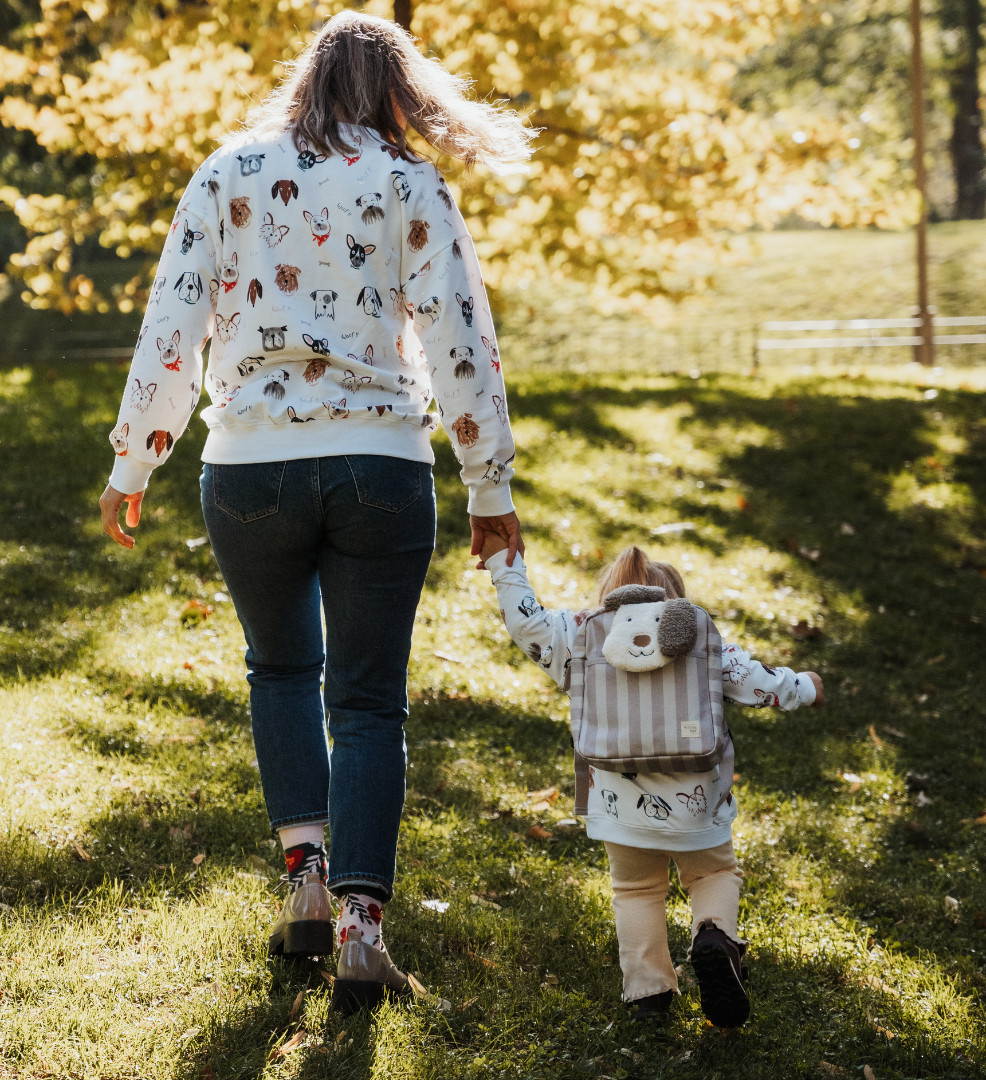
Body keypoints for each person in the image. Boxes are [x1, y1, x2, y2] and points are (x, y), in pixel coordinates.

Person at [98, 11, 533, 1011]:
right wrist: (489, 488)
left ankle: (304, 875)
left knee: (281, 668)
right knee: (370, 703)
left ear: (306, 78)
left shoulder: (225, 173)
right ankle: (360, 933)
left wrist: (136, 463)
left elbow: (175, 323)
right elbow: (462, 336)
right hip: (381, 466)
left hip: (250, 468)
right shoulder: (412, 183)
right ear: (395, 90)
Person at [477, 541, 824, 1027]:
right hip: (697, 799)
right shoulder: (700, 637)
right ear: (674, 600)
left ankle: (649, 997)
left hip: (618, 804)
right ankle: (714, 936)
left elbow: (526, 622)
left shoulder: (580, 634)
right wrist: (806, 686)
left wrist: (503, 563)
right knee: (712, 876)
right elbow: (758, 682)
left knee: (637, 891)